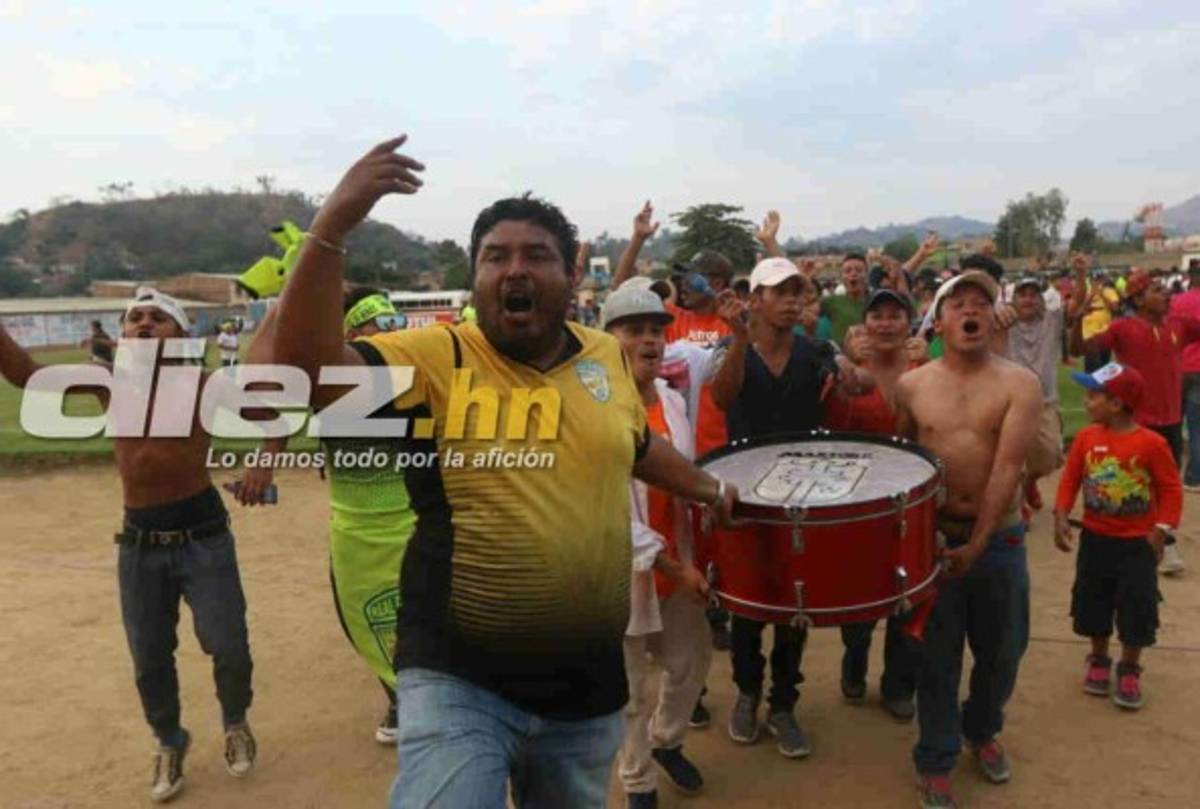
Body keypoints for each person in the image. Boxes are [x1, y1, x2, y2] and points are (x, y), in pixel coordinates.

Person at [266, 136, 737, 809]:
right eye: (495, 256)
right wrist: (333, 225)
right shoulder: (437, 356)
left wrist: (710, 488)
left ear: (570, 279)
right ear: (476, 280)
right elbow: (308, 376)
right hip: (459, 676)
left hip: (585, 689)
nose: (515, 269)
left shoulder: (604, 355)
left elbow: (635, 444)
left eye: (536, 255)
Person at [0, 288, 261, 803]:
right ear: (121, 333)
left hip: (204, 536)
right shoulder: (106, 381)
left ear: (181, 335)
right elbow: (27, 375)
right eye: (134, 317)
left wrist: (265, 464)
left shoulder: (205, 385)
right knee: (149, 655)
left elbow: (271, 416)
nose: (143, 323)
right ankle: (169, 739)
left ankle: (235, 721)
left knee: (228, 644)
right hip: (139, 542)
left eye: (157, 318)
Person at [894, 270, 1042, 809]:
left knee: (1004, 651)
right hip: (932, 541)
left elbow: (1007, 468)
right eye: (958, 304)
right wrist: (922, 535)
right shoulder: (912, 386)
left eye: (981, 302)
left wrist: (977, 544)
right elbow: (902, 465)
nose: (971, 310)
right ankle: (935, 758)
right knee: (936, 657)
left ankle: (981, 729)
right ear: (939, 322)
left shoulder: (1019, 384)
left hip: (998, 540)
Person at [711, 257, 866, 759]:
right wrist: (739, 338)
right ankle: (747, 692)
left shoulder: (817, 349)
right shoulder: (729, 348)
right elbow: (722, 396)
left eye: (797, 292)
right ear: (755, 300)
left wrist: (853, 374)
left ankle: (783, 703)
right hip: (746, 495)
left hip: (802, 494)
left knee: (796, 603)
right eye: (780, 292)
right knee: (747, 602)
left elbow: (857, 381)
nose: (792, 301)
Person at [602, 283, 713, 809]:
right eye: (634, 330)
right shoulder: (594, 411)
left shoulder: (671, 400)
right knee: (629, 691)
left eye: (655, 330)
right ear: (608, 341)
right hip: (618, 578)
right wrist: (672, 565)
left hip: (677, 567)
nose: (649, 340)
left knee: (691, 664)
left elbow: (685, 480)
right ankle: (638, 782)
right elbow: (608, 515)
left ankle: (667, 741)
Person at [1053, 362, 1180, 712]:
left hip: (1138, 544)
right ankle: (1098, 658)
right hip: (1096, 538)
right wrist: (1061, 514)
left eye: (1093, 395)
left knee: (1136, 605)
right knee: (1093, 599)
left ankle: (1129, 666)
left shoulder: (1151, 444)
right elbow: (1070, 478)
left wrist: (1162, 529)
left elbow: (1171, 489)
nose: (1086, 401)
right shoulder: (1086, 438)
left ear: (1117, 403)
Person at [823, 288, 923, 721]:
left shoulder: (924, 370)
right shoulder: (849, 370)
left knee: (908, 593)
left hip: (912, 497)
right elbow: (828, 427)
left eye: (894, 316)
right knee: (859, 591)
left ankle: (898, 684)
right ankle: (855, 654)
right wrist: (843, 369)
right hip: (859, 500)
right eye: (877, 315)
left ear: (909, 323)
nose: (885, 324)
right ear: (863, 324)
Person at [1069, 262, 1198, 575]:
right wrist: (1076, 321)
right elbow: (1080, 349)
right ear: (1138, 299)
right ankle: (1153, 542)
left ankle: (1159, 539)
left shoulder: (1178, 325)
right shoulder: (1122, 329)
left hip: (1171, 418)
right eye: (1157, 290)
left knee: (1164, 482)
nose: (1166, 294)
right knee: (1138, 484)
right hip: (1137, 422)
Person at [1001, 275, 1066, 518]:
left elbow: (1077, 304)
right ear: (1013, 299)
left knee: (1050, 457)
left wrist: (1081, 276)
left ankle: (1030, 481)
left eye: (1033, 295)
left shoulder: (1051, 320)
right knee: (1012, 456)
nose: (1028, 299)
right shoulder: (1003, 323)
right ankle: (1018, 503)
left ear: (1041, 300)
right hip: (1011, 402)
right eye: (1022, 295)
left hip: (1045, 401)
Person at [1168, 261, 1200, 491]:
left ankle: (1171, 472)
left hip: (1180, 367)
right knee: (1197, 425)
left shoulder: (1176, 301)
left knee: (1173, 423)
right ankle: (1194, 475)